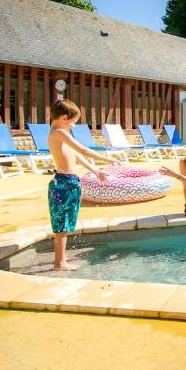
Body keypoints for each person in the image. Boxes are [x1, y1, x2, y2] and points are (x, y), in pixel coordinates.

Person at [46, 99, 118, 271]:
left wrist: (95, 171)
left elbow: (76, 157)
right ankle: (59, 263)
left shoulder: (61, 134)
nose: (73, 126)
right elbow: (83, 150)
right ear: (64, 118)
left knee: (66, 223)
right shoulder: (59, 133)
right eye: (73, 122)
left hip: (70, 182)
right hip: (63, 182)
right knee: (62, 225)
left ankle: (61, 260)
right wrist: (107, 158)